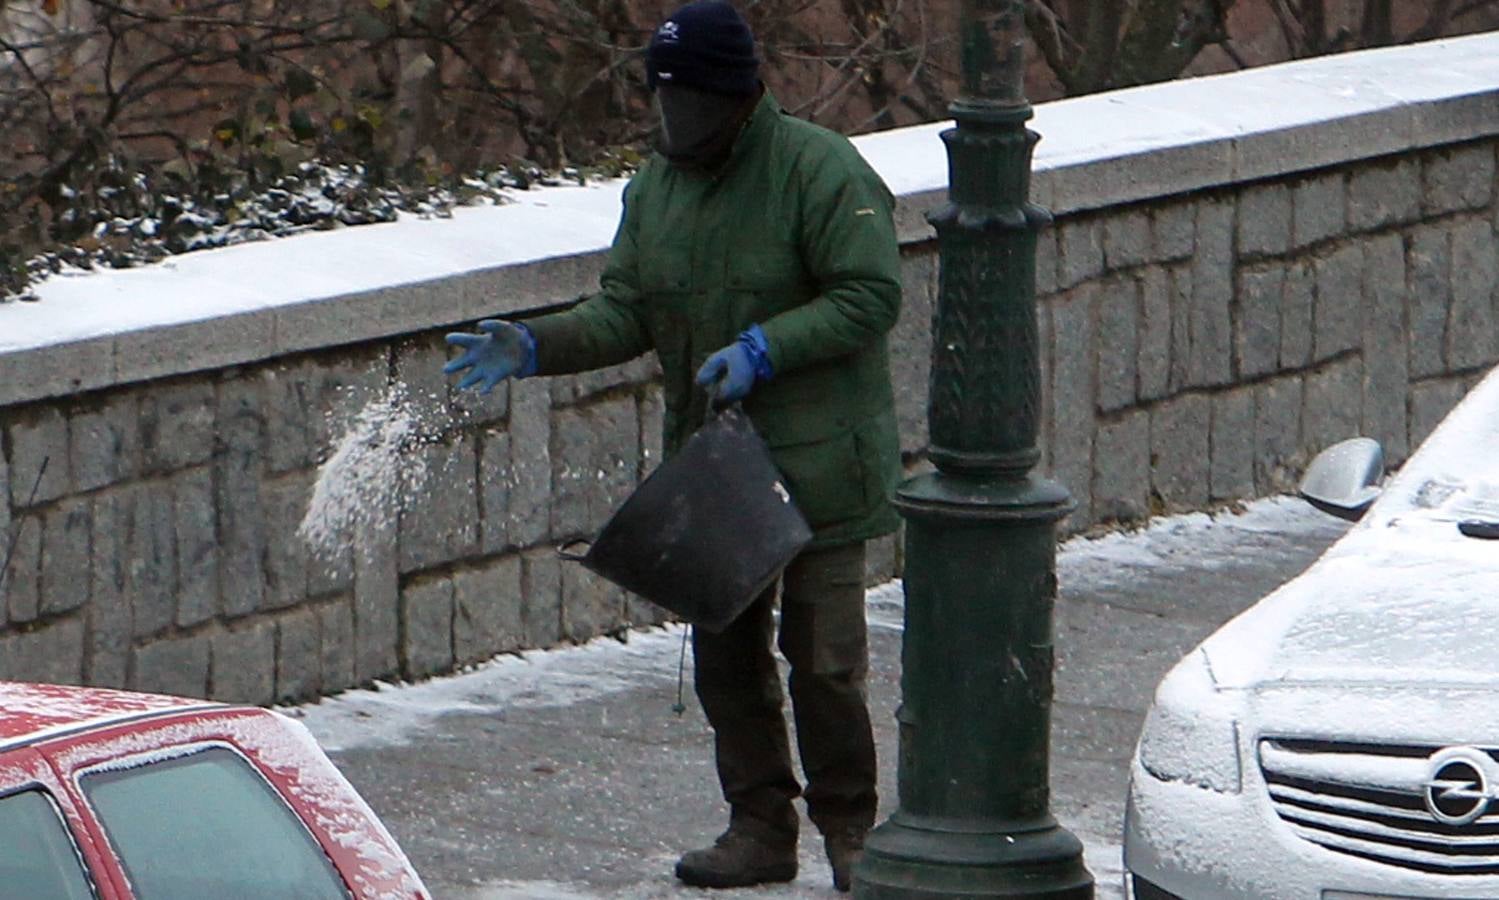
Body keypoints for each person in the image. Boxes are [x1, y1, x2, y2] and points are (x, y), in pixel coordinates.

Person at [443, 1, 902, 891]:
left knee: (824, 661)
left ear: (737, 96)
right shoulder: (655, 187)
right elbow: (628, 310)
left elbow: (868, 293)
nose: (675, 119)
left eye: (692, 100)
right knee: (725, 656)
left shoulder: (817, 169)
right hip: (719, 466)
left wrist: (766, 347)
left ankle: (850, 829)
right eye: (664, 98)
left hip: (818, 464)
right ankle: (759, 824)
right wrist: (538, 345)